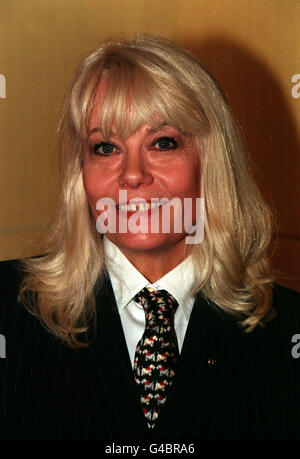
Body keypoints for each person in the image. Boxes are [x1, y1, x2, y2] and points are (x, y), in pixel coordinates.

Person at [0, 34, 300, 439]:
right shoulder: (7, 310)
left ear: (211, 162)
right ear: (80, 172)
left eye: (162, 143)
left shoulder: (287, 332)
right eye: (106, 148)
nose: (133, 175)